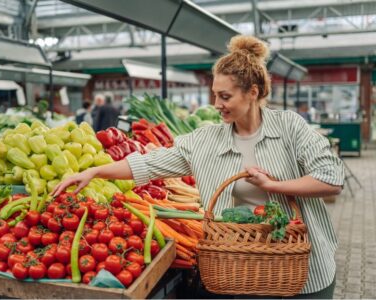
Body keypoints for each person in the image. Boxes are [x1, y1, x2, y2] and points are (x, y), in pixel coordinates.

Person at [52, 35, 344, 298]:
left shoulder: (290, 127)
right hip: (243, 270)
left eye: (225, 96)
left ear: (253, 92)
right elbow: (148, 164)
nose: (217, 103)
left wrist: (273, 186)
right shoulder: (205, 140)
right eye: (214, 95)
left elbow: (331, 179)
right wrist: (95, 171)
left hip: (302, 270)